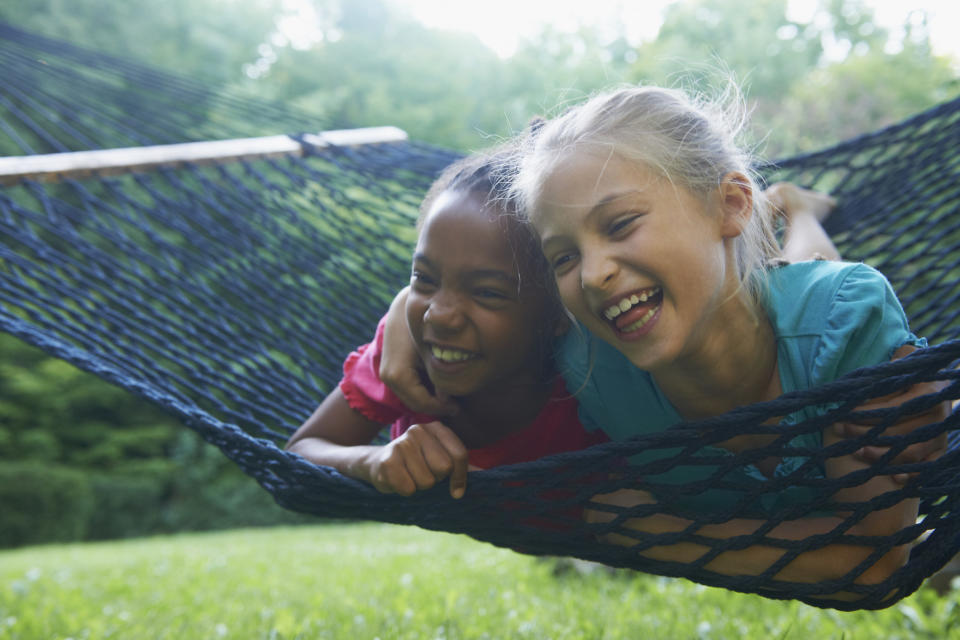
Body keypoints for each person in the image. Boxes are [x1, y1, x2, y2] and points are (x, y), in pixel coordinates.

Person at [377, 86, 950, 601]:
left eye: (621, 223)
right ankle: (789, 215)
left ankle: (798, 211)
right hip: (739, 302)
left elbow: (872, 563)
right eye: (564, 257)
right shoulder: (587, 361)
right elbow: (479, 280)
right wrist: (404, 313)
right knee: (763, 289)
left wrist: (654, 533)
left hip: (813, 311)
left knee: (806, 285)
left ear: (729, 204)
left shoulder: (849, 322)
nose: (595, 273)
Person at [285, 148, 607, 499]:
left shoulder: (596, 369)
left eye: (486, 292)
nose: (438, 315)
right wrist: (371, 460)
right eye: (424, 279)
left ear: (560, 310)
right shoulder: (406, 358)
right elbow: (299, 454)